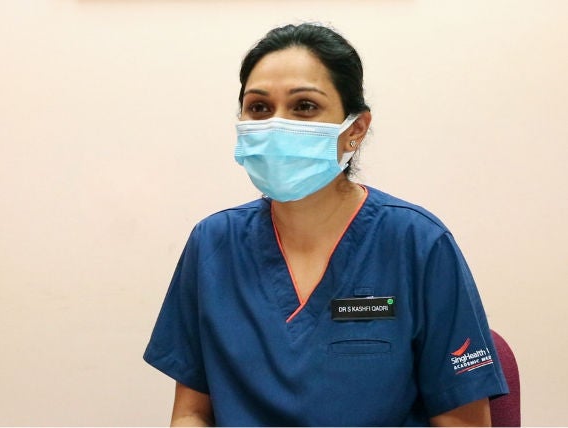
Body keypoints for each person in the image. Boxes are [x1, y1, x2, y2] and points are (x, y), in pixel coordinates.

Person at [144, 23, 508, 426]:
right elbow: (192, 413)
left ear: (355, 129)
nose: (276, 125)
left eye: (304, 106)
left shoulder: (418, 243)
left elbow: (464, 420)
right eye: (259, 108)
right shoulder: (213, 245)